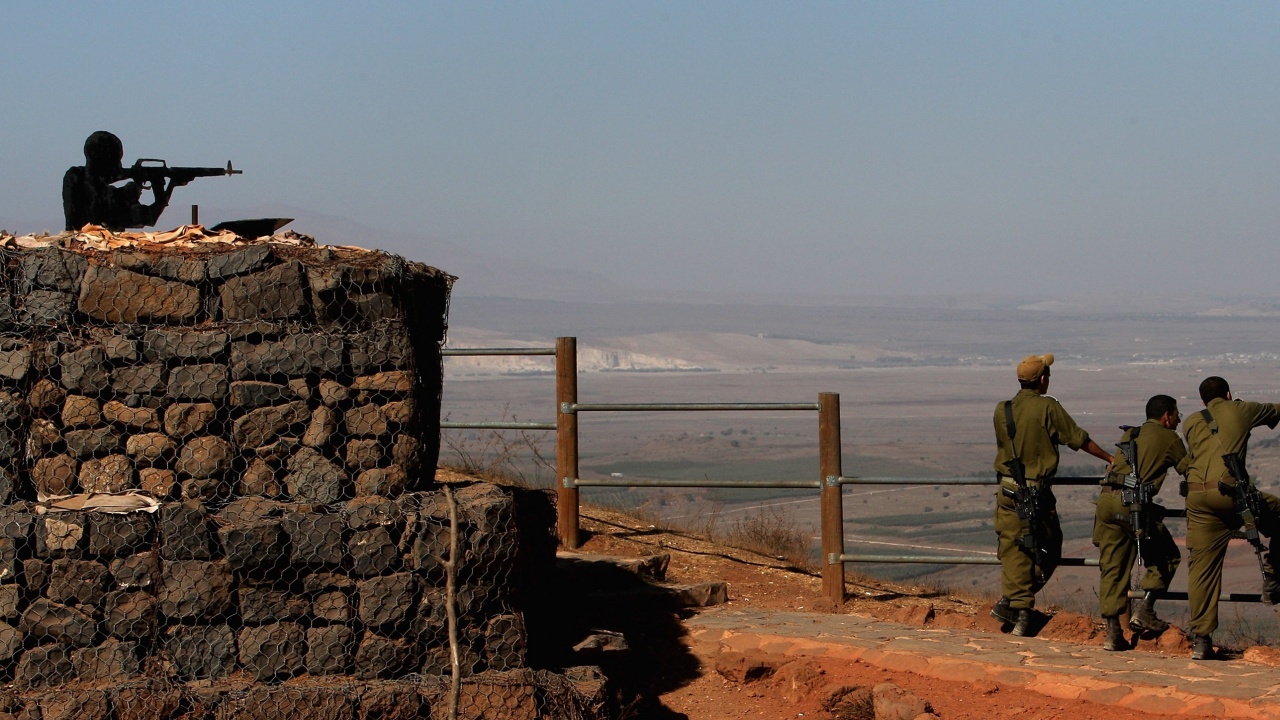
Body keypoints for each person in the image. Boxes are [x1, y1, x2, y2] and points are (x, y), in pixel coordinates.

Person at [991, 353, 1113, 636]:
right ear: (1043, 380)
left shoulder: (1002, 409)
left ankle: (1011, 602)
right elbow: (1077, 438)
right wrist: (1109, 457)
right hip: (1034, 491)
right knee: (1048, 547)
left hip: (1006, 490)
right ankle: (1020, 609)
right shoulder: (1047, 407)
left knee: (1012, 550)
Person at [1181, 376, 1280, 660]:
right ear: (1228, 393)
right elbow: (1276, 411)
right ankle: (1273, 576)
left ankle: (1201, 640)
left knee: (1202, 569)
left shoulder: (1190, 422)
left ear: (1203, 401)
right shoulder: (1241, 409)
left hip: (1198, 498)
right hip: (1232, 495)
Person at [1092, 394, 1189, 651]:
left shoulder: (1131, 434)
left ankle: (1113, 633)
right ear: (1167, 416)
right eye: (1177, 414)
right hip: (1131, 506)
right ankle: (1145, 610)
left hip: (1107, 502)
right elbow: (1189, 469)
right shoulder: (1170, 438)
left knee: (1112, 566)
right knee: (1167, 556)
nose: (1179, 419)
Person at [62, 131, 185, 231]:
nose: (120, 165)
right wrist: (169, 187)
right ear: (103, 161)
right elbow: (148, 218)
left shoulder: (75, 177)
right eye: (117, 160)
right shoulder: (105, 195)